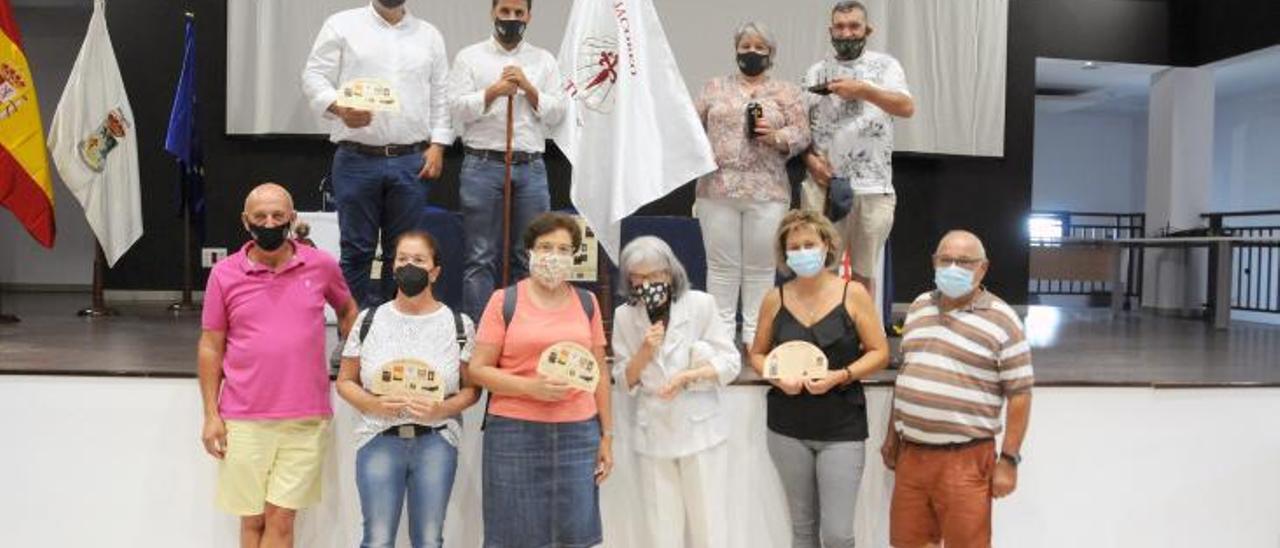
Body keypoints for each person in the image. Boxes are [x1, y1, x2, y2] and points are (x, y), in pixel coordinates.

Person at [197, 183, 359, 548]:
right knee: (252, 523)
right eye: (260, 217)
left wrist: (353, 359)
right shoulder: (224, 274)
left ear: (292, 218)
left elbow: (348, 309)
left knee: (281, 521)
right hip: (242, 417)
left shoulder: (320, 265)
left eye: (278, 216)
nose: (269, 223)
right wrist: (210, 414)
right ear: (246, 222)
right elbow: (210, 346)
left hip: (305, 418)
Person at [467, 212, 614, 547]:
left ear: (575, 255)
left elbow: (599, 373)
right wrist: (529, 387)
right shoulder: (503, 301)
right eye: (546, 246)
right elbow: (477, 370)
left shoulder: (587, 303)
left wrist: (607, 435)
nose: (554, 256)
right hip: (514, 432)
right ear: (530, 251)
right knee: (513, 532)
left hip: (579, 432)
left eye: (564, 249)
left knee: (574, 533)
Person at [748, 209, 890, 548]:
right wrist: (776, 376)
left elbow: (879, 352)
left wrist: (842, 375)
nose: (801, 252)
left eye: (808, 243)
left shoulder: (853, 294)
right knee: (802, 529)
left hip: (841, 425)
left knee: (838, 534)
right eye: (793, 247)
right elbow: (756, 354)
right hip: (787, 426)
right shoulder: (774, 298)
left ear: (827, 245)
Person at [882, 230, 1033, 548]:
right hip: (912, 455)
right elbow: (907, 373)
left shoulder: (1002, 319)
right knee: (907, 543)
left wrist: (1009, 460)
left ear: (983, 268)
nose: (953, 267)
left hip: (965, 459)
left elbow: (1020, 393)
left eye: (964, 262)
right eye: (945, 260)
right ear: (934, 263)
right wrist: (892, 436)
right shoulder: (919, 306)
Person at [302, 0, 454, 308]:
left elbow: (441, 95)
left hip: (411, 160)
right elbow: (314, 77)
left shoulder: (429, 35)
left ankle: (394, 331)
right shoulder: (342, 25)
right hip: (356, 158)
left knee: (405, 255)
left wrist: (438, 144)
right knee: (356, 250)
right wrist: (339, 107)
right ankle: (352, 333)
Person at [336, 229, 480, 548]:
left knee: (429, 539)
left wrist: (442, 408)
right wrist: (372, 404)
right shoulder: (369, 320)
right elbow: (345, 381)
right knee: (377, 539)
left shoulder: (459, 325)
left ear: (435, 270)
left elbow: (472, 390)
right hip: (378, 439)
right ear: (392, 266)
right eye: (402, 259)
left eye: (418, 260)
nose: (409, 266)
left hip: (436, 440)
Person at [612, 236, 741, 548]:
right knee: (661, 528)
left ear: (669, 273)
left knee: (709, 524)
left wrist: (689, 376)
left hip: (700, 428)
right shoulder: (625, 316)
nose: (646, 284)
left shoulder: (700, 304)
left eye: (654, 275)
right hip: (653, 429)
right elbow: (623, 379)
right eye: (638, 277)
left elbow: (731, 362)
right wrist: (644, 351)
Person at [448, 0, 565, 323]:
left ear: (528, 16)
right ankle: (479, 335)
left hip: (530, 166)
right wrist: (494, 91)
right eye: (505, 12)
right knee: (480, 255)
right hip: (482, 164)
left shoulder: (543, 60)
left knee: (530, 254)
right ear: (493, 13)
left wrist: (528, 88)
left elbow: (558, 112)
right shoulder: (469, 57)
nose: (511, 19)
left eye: (518, 13)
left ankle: (522, 329)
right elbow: (456, 108)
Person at [695, 21, 810, 348]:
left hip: (768, 191)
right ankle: (720, 342)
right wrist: (703, 152)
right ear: (736, 50)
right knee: (721, 268)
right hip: (717, 189)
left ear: (770, 54)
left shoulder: (786, 92)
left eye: (759, 47)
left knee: (761, 268)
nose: (752, 53)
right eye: (745, 46)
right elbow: (691, 129)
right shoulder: (713, 87)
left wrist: (776, 137)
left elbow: (803, 133)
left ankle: (756, 339)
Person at [801, 0, 915, 299]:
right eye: (840, 26)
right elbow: (800, 129)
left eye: (854, 26)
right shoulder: (815, 72)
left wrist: (864, 90)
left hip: (873, 187)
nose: (847, 33)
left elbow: (906, 107)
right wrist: (809, 159)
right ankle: (824, 342)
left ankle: (862, 341)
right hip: (824, 188)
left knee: (865, 275)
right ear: (830, 31)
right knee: (821, 269)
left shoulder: (886, 66)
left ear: (868, 30)